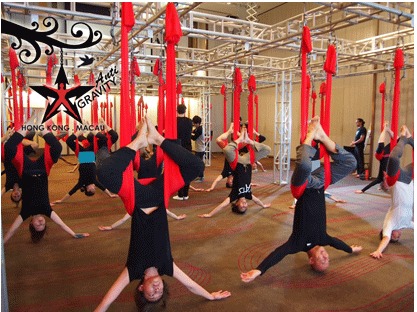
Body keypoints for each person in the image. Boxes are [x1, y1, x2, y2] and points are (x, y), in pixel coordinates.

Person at [94, 117, 230, 311]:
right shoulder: (167, 266)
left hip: (136, 198)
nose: (156, 289)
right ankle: (159, 140)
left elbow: (108, 299)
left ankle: (137, 143)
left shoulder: (133, 269)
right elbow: (190, 283)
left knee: (104, 173)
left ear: (141, 288)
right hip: (159, 194)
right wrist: (210, 296)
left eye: (151, 293)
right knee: (197, 167)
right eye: (159, 293)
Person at [241, 117, 362, 282]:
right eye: (328, 260)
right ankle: (322, 137)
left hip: (302, 186)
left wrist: (259, 270)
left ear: (311, 260)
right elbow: (338, 243)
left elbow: (279, 253)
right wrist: (350, 250)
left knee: (305, 165)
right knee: (351, 162)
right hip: (320, 183)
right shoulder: (324, 239)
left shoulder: (297, 243)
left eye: (322, 261)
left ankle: (311, 134)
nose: (326, 257)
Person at [3, 110, 89, 243]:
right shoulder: (46, 209)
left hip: (26, 171)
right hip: (45, 169)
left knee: (8, 147)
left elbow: (13, 229)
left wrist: (2, 244)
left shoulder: (26, 211)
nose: (41, 222)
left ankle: (31, 122)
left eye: (38, 225)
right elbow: (61, 223)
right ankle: (42, 125)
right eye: (43, 225)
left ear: (31, 223)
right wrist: (73, 233)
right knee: (57, 147)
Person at [198, 124, 271, 218]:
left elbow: (222, 205)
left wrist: (209, 214)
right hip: (248, 161)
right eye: (245, 207)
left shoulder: (234, 195)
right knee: (267, 150)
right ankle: (250, 141)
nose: (244, 205)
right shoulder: (248, 195)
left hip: (237, 162)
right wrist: (263, 205)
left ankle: (239, 140)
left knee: (227, 150)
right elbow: (257, 201)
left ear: (236, 204)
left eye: (241, 207)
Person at [370, 125, 413, 259]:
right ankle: (409, 137)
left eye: (394, 238)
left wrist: (378, 251)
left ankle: (403, 137)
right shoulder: (407, 224)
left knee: (394, 158)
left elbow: (385, 239)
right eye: (397, 239)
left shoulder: (390, 223)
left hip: (396, 179)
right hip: (410, 180)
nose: (398, 237)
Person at [51, 122, 118, 205]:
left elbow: (71, 192)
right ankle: (90, 129)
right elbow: (103, 188)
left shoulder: (82, 182)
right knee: (104, 139)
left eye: (92, 188)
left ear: (88, 189)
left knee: (69, 141)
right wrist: (110, 195)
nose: (94, 186)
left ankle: (82, 129)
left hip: (82, 156)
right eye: (94, 188)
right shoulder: (94, 181)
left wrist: (61, 200)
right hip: (91, 155)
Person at [355, 122, 393, 194]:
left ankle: (386, 129)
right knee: (397, 140)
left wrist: (362, 190)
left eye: (385, 185)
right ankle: (387, 129)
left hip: (380, 156)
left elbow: (372, 183)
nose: (387, 185)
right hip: (387, 154)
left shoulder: (380, 178)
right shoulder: (390, 178)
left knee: (381, 144)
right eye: (386, 185)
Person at [173, 104, 194, 200]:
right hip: (188, 148)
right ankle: (186, 193)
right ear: (185, 111)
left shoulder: (174, 121)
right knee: (187, 170)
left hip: (178, 147)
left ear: (176, 110)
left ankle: (180, 194)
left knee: (178, 171)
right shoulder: (189, 121)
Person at [191, 115, 205, 182]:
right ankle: (199, 176)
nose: (194, 124)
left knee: (199, 163)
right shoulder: (197, 128)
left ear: (198, 123)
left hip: (200, 149)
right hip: (198, 148)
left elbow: (194, 138)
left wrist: (188, 134)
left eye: (194, 123)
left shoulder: (200, 129)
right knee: (198, 163)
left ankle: (201, 177)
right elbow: (193, 133)